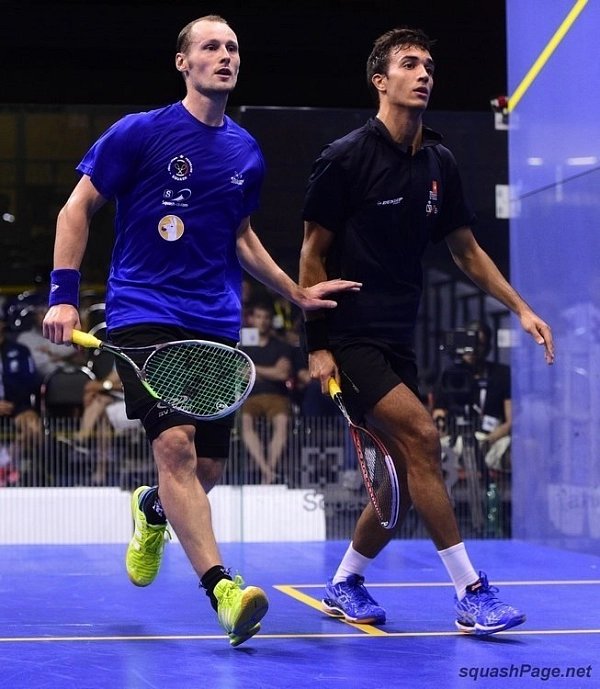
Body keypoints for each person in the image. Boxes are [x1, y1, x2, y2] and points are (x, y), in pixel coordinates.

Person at [42, 14, 360, 647]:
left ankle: (153, 509)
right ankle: (223, 590)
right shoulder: (140, 132)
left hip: (214, 319)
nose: (225, 55)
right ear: (183, 63)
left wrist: (294, 292)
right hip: (143, 311)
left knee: (205, 468)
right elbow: (77, 207)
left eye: (232, 47)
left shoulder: (246, 152)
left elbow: (240, 237)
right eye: (210, 46)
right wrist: (64, 297)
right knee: (176, 449)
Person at [299, 26, 554, 635]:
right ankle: (471, 592)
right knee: (423, 437)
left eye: (429, 67)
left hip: (398, 338)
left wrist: (520, 308)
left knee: (403, 481)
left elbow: (466, 250)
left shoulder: (440, 162)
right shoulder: (344, 159)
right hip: (351, 336)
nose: (423, 74)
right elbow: (310, 256)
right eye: (409, 64)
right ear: (380, 81)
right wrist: (318, 346)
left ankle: (345, 581)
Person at [241, 303, 293, 484]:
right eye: (258, 317)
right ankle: (267, 471)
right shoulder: (244, 347)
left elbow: (283, 374)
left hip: (277, 396)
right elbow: (241, 373)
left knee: (282, 424)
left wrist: (253, 369)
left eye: (266, 317)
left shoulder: (281, 346)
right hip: (251, 397)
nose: (262, 321)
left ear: (270, 320)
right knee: (246, 424)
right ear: (251, 319)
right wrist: (271, 371)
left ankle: (268, 471)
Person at [0, 314, 42, 485]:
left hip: (15, 406)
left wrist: (13, 402)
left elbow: (31, 381)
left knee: (33, 427)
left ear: (2, 325)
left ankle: (6, 462)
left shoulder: (19, 351)